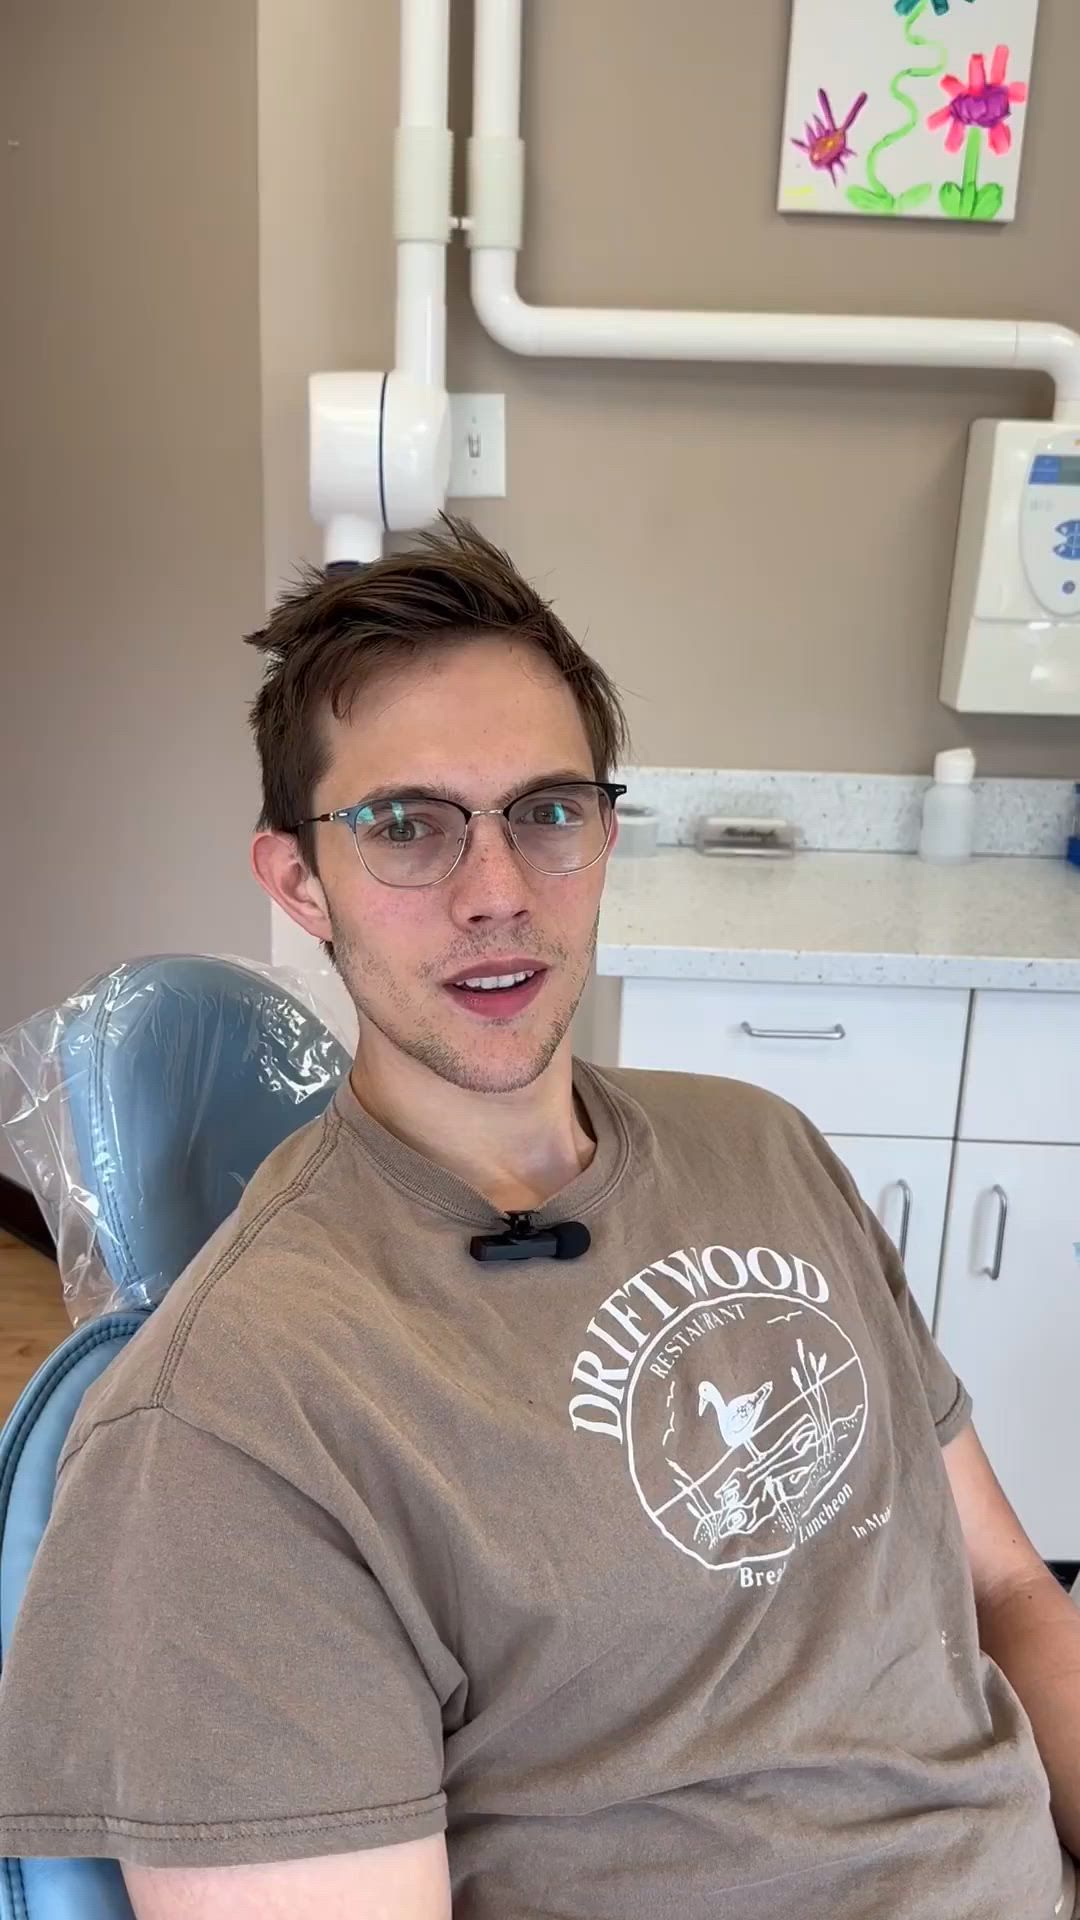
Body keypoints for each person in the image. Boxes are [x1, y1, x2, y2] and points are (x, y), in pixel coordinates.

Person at [0, 519, 1077, 1920]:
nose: (496, 893)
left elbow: (1000, 1585)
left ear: (606, 833)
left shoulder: (763, 1146)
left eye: (546, 811)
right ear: (295, 882)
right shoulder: (229, 1427)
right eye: (405, 826)